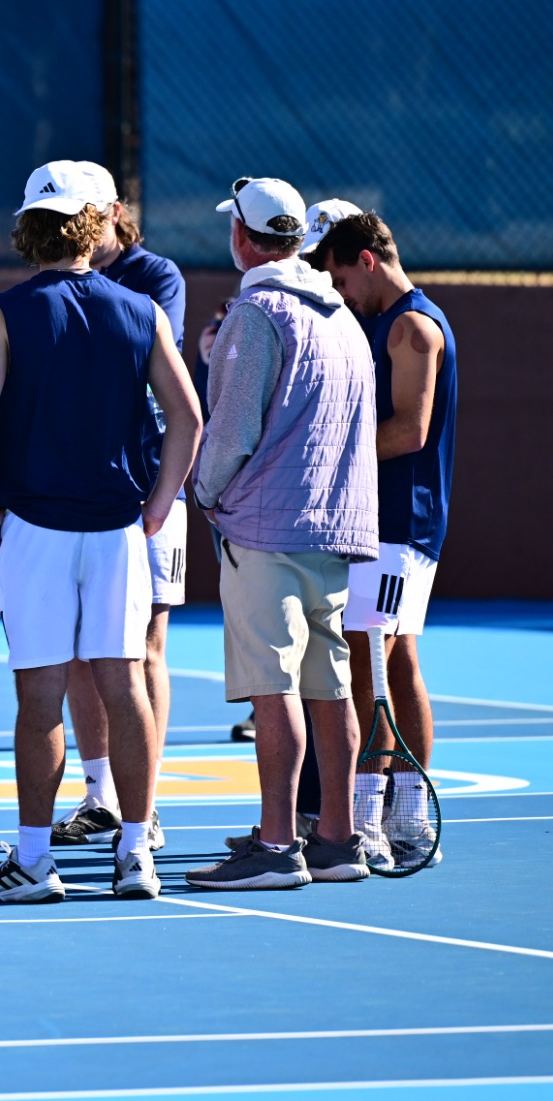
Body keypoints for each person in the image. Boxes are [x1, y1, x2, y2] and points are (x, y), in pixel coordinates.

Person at [0, 162, 201, 903]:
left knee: (41, 698)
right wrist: (159, 505)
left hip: (35, 527)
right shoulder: (142, 311)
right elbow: (188, 419)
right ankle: (136, 852)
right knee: (125, 686)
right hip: (119, 527)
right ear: (97, 222)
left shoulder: (1, 312)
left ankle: (34, 862)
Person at [186, 177, 376, 891]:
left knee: (275, 688)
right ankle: (336, 836)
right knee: (328, 686)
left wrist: (203, 491)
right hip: (335, 526)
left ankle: (275, 845)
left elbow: (231, 430)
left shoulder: (257, 311)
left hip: (267, 527)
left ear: (241, 236)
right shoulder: (343, 316)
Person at [315, 210, 456, 869]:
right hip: (385, 521)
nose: (340, 290)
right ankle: (403, 814)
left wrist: (331, 461)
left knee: (370, 661)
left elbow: (410, 430)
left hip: (401, 524)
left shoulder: (410, 326)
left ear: (366, 260)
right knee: (393, 662)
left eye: (342, 276)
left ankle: (373, 818)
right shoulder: (381, 322)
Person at [54, 192, 192, 851]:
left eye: (83, 213)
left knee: (145, 647)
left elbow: (136, 375)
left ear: (111, 211)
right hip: (78, 493)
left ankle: (148, 802)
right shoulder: (54, 275)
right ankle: (99, 794)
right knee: (80, 652)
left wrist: (160, 501)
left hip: (150, 488)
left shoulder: (155, 276)